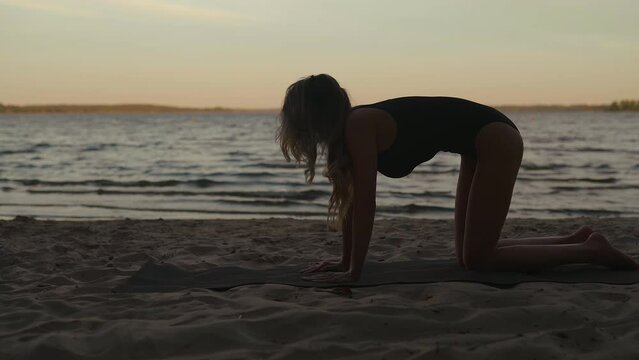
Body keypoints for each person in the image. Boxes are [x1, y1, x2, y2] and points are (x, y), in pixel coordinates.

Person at [275, 73, 638, 283]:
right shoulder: (352, 132)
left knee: (480, 257)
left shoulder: (358, 126)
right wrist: (344, 262)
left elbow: (368, 203)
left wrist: (354, 272)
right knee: (469, 257)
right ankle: (575, 238)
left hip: (494, 137)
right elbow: (354, 204)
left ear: (315, 117)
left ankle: (590, 250)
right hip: (476, 143)